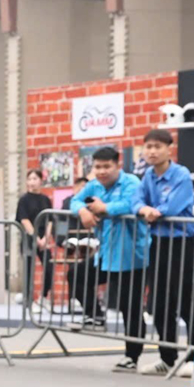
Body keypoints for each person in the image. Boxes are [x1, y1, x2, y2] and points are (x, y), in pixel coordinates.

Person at [69, 147, 152, 371]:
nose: (102, 171)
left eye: (107, 167)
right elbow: (74, 201)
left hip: (130, 255)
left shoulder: (131, 183)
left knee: (130, 305)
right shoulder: (94, 185)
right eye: (98, 167)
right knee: (76, 274)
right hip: (105, 255)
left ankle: (132, 355)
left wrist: (103, 208)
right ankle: (95, 316)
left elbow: (131, 205)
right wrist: (84, 212)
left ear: (117, 165)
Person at [136, 127, 194, 374]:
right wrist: (144, 210)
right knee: (159, 304)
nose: (152, 151)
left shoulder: (181, 175)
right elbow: (136, 200)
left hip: (181, 243)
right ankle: (167, 358)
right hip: (158, 243)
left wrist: (153, 211)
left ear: (168, 149)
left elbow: (172, 207)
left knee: (185, 301)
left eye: (157, 147)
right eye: (148, 147)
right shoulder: (148, 176)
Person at [16, 169, 57, 313]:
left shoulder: (45, 199)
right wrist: (36, 238)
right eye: (30, 179)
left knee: (49, 267)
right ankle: (28, 300)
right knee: (29, 269)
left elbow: (50, 219)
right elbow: (24, 219)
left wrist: (46, 237)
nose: (32, 182)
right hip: (29, 238)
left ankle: (43, 298)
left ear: (41, 180)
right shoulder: (24, 199)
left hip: (43, 239)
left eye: (35, 178)